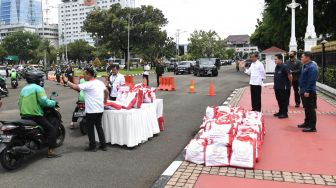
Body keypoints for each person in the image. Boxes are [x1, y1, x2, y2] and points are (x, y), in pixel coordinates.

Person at [63, 68, 109, 151]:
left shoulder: (88, 84)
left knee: (90, 128)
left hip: (91, 111)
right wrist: (105, 100)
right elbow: (106, 91)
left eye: (85, 74)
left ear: (89, 74)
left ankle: (93, 146)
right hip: (100, 109)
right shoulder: (100, 83)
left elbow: (76, 87)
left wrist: (67, 81)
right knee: (99, 127)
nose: (84, 76)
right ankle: (103, 145)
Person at [19, 71, 60, 158]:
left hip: (24, 116)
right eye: (40, 78)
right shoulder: (38, 88)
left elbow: (19, 103)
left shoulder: (23, 89)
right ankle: (51, 151)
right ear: (36, 79)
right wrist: (54, 103)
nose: (41, 80)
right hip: (35, 116)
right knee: (51, 129)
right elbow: (44, 101)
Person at [297, 52, 318, 132]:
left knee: (310, 109)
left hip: (309, 91)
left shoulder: (312, 67)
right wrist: (300, 89)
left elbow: (311, 80)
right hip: (304, 90)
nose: (301, 58)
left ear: (308, 57)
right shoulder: (305, 66)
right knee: (306, 108)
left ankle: (312, 127)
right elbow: (303, 79)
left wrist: (307, 90)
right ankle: (307, 123)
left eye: (302, 57)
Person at [273, 54, 292, 119]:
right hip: (277, 86)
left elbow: (290, 76)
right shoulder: (277, 66)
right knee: (279, 99)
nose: (274, 60)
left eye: (276, 59)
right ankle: (280, 111)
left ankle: (284, 113)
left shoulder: (285, 66)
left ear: (280, 59)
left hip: (284, 87)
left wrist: (290, 83)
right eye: (274, 59)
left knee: (284, 100)